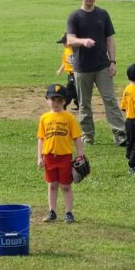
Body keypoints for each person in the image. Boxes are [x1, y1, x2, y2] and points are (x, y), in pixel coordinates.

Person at [66, 0, 127, 147]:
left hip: (102, 65)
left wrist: (112, 61)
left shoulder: (103, 14)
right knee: (84, 103)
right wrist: (83, 41)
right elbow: (69, 39)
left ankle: (120, 135)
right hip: (82, 67)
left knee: (110, 100)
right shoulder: (74, 16)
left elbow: (110, 39)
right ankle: (88, 136)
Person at [37, 84, 84, 223]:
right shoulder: (44, 118)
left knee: (66, 186)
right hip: (49, 157)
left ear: (65, 101)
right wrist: (39, 157)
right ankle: (52, 212)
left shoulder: (69, 117)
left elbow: (76, 137)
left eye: (59, 100)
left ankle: (69, 213)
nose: (56, 103)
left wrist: (80, 154)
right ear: (47, 99)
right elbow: (41, 139)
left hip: (65, 157)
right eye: (53, 99)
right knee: (52, 185)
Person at [56, 33, 79, 111]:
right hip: (70, 74)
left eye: (64, 42)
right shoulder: (66, 50)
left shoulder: (76, 49)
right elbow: (65, 61)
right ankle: (79, 105)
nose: (63, 44)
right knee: (75, 90)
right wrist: (60, 69)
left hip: (77, 73)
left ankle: (64, 105)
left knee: (69, 89)